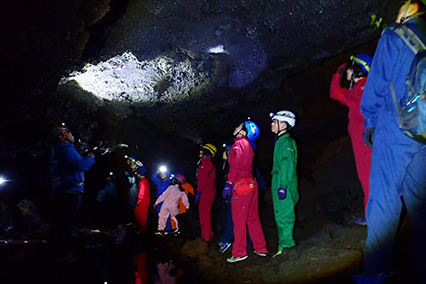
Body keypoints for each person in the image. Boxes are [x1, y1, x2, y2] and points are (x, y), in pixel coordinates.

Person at [354, 1, 426, 283]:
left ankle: (375, 272)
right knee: (420, 204)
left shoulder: (395, 35)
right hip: (422, 133)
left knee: (383, 200)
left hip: (395, 128)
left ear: (406, 13)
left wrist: (369, 120)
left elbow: (377, 83)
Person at [330, 54, 373, 225]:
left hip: (364, 143)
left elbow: (335, 93)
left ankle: (373, 216)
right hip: (367, 140)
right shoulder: (364, 87)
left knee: (368, 178)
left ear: (356, 69)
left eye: (350, 68)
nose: (348, 71)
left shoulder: (360, 89)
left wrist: (337, 74)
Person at [222, 120, 268, 263]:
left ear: (244, 131)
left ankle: (240, 252)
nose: (235, 127)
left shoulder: (239, 144)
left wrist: (229, 183)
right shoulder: (248, 145)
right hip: (251, 185)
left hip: (241, 186)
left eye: (239, 126)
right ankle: (261, 248)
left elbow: (235, 167)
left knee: (239, 221)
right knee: (252, 218)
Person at [49, 125, 95, 263]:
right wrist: (90, 158)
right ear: (61, 136)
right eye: (67, 132)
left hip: (61, 191)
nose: (70, 134)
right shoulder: (67, 149)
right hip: (71, 191)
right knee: (67, 223)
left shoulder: (56, 151)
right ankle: (65, 254)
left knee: (59, 222)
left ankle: (56, 253)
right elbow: (82, 165)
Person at [269, 111, 299, 258]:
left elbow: (288, 165)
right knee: (279, 214)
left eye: (275, 122)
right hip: (278, 182)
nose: (272, 124)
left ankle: (287, 247)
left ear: (284, 124)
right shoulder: (280, 141)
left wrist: (283, 185)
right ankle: (283, 245)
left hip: (284, 183)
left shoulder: (287, 142)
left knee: (285, 214)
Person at [195, 143, 217, 243]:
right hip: (209, 191)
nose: (200, 152)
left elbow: (202, 182)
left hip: (206, 192)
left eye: (202, 150)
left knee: (204, 215)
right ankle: (210, 233)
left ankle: (205, 237)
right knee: (207, 213)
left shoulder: (205, 165)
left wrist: (199, 193)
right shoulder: (206, 163)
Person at [151, 166, 172, 232]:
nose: (163, 175)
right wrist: (157, 171)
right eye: (162, 174)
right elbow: (153, 177)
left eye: (164, 173)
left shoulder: (169, 182)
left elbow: (170, 176)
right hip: (160, 202)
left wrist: (166, 171)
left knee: (167, 216)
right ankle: (161, 229)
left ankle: (167, 229)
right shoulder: (159, 182)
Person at [124, 155, 143, 224]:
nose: (127, 161)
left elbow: (142, 169)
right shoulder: (129, 170)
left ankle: (136, 222)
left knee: (134, 206)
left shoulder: (138, 171)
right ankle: (132, 221)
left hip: (136, 191)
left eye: (128, 160)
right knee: (130, 206)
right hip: (130, 191)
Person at [134, 166, 150, 233]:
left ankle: (142, 228)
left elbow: (142, 192)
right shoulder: (143, 180)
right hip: (143, 200)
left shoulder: (143, 181)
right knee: (137, 213)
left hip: (143, 201)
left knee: (142, 215)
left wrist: (139, 201)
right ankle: (138, 226)